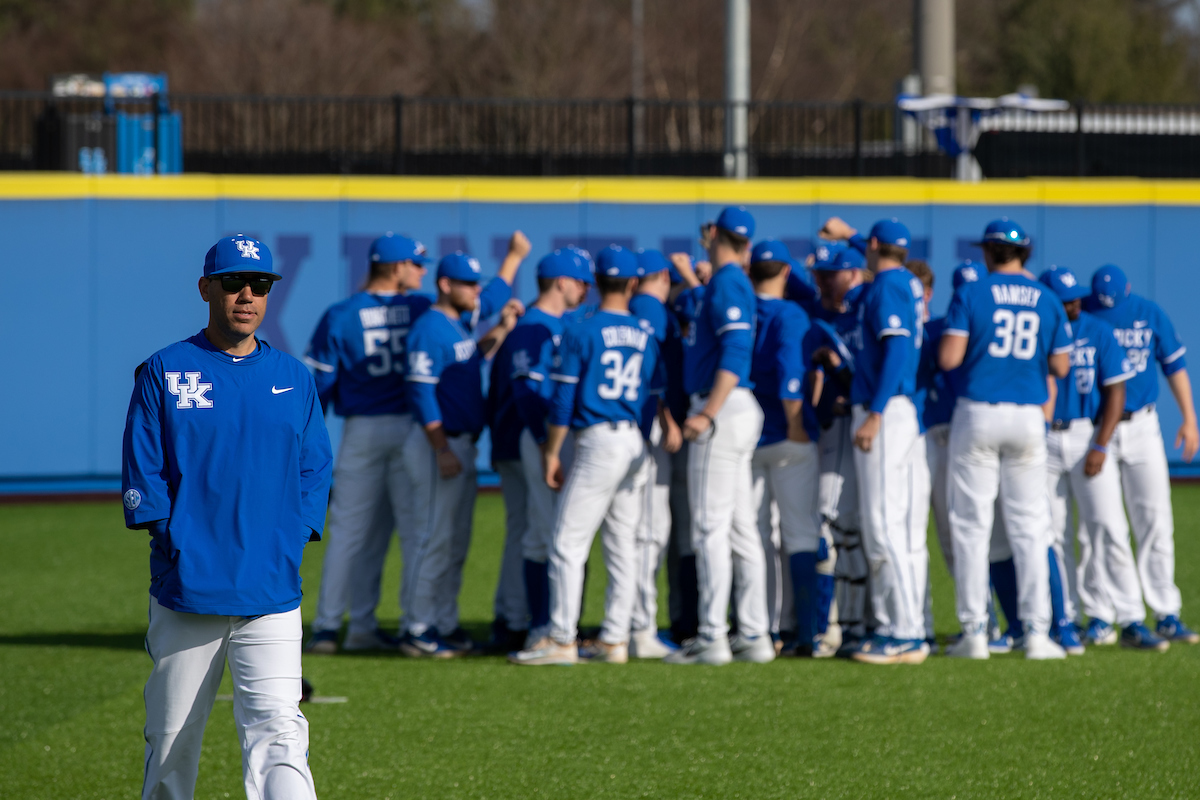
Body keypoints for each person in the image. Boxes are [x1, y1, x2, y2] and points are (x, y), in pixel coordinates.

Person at [122, 234, 333, 799]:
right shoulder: (166, 370)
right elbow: (145, 475)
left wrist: (294, 538)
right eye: (234, 282)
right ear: (205, 288)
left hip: (271, 591)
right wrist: (178, 545)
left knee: (280, 736)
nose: (247, 294)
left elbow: (316, 467)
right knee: (171, 741)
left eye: (259, 284)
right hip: (189, 591)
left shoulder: (294, 376)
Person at [510, 245, 662, 665]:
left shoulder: (583, 329)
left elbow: (562, 399)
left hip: (596, 440)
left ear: (596, 281)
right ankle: (615, 638)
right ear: (633, 283)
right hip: (632, 437)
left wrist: (552, 451)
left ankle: (561, 639)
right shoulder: (646, 332)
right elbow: (653, 395)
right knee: (622, 545)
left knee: (566, 544)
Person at [939, 218, 1072, 660]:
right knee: (1031, 528)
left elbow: (949, 356)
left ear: (988, 252)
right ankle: (1036, 633)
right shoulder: (1048, 298)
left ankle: (975, 632)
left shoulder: (972, 292)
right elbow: (1061, 368)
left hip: (978, 410)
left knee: (972, 527)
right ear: (1025, 254)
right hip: (1028, 416)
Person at [304, 233, 428, 655]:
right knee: (413, 533)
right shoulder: (421, 309)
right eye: (415, 263)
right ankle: (413, 625)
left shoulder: (341, 314)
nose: (421, 272)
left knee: (348, 534)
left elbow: (319, 385)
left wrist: (307, 442)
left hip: (362, 430)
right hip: (411, 430)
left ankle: (328, 628)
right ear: (396, 268)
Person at [1037, 267, 1168, 652]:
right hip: (1044, 440)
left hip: (1084, 435)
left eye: (1076, 297)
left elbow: (1116, 393)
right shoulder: (1040, 330)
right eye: (1065, 300)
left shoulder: (1098, 331)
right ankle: (1067, 618)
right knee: (1053, 533)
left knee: (1109, 527)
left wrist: (1099, 445)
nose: (1074, 304)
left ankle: (1130, 617)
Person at [400, 252, 524, 658]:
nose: (476, 291)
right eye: (468, 284)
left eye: (476, 283)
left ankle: (444, 623)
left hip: (462, 443)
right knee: (432, 539)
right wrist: (441, 448)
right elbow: (420, 390)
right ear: (445, 285)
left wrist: (502, 330)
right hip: (440, 443)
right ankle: (417, 627)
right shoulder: (429, 327)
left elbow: (471, 355)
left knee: (455, 542)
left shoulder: (457, 325)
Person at [666, 206, 774, 666]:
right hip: (734, 408)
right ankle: (753, 634)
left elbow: (735, 349)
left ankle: (712, 635)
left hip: (722, 408)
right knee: (739, 527)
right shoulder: (728, 280)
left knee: (710, 527)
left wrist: (707, 412)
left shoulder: (729, 281)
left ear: (713, 233)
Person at [1084, 264, 1200, 645]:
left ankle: (1166, 611)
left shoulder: (1148, 313)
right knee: (1101, 526)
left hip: (1143, 426)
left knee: (1154, 518)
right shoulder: (1084, 312)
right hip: (1097, 428)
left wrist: (1188, 418)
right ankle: (1110, 614)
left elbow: (1175, 365)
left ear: (1127, 292)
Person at [834, 219, 931, 665]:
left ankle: (904, 631)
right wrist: (851, 235)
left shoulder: (888, 285)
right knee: (898, 529)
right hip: (899, 410)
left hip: (886, 411)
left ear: (874, 247)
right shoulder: (906, 279)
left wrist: (874, 414)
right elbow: (882, 253)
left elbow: (895, 349)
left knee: (883, 525)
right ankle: (908, 628)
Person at [488, 249, 592, 650]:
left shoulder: (561, 323)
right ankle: (539, 626)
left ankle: (538, 623)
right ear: (561, 282)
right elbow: (527, 393)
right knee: (545, 531)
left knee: (547, 530)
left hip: (550, 439)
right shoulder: (535, 326)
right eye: (581, 282)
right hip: (542, 439)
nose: (585, 290)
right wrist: (548, 444)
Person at [746, 240, 823, 655]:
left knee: (754, 536)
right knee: (799, 534)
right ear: (786, 274)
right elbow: (790, 372)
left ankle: (761, 628)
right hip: (785, 435)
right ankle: (804, 633)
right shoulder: (790, 313)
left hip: (743, 435)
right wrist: (796, 423)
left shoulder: (735, 305)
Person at [803, 242, 867, 654]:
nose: (826, 279)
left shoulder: (867, 310)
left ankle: (854, 625)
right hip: (827, 428)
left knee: (854, 531)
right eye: (821, 273)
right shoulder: (813, 315)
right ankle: (832, 627)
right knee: (829, 527)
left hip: (862, 426)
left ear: (854, 274)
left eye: (834, 272)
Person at [627, 248, 685, 658]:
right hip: (647, 429)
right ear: (664, 276)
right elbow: (652, 377)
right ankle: (639, 628)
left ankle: (629, 624)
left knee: (633, 532)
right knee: (648, 531)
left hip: (626, 429)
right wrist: (665, 416)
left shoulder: (628, 307)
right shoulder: (651, 309)